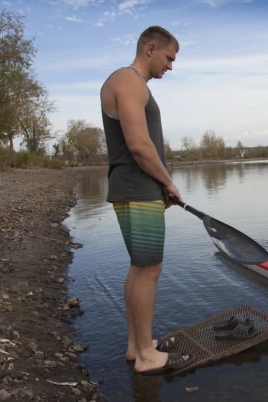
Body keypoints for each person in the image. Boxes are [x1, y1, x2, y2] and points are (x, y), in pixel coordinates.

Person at [100, 25, 192, 374]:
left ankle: (136, 346)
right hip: (136, 190)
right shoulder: (127, 81)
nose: (171, 66)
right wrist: (168, 182)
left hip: (139, 190)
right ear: (151, 48)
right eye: (169, 58)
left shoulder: (132, 85)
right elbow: (139, 145)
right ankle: (145, 357)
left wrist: (161, 187)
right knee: (149, 270)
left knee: (140, 268)